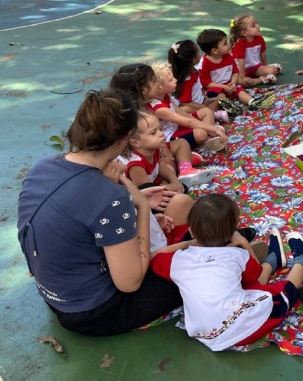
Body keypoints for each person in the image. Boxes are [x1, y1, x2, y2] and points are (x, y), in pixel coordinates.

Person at [17, 90, 183, 335]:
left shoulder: (43, 166)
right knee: (200, 267)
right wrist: (140, 205)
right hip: (95, 311)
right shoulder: (110, 197)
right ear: (125, 139)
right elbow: (130, 282)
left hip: (55, 295)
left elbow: (77, 221)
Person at [150, 193, 303, 351]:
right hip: (244, 325)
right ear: (233, 231)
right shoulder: (237, 254)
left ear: (191, 230)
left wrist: (187, 243)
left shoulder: (178, 260)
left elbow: (155, 255)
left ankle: (273, 260)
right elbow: (256, 276)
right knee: (285, 290)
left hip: (204, 334)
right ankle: (302, 261)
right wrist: (244, 243)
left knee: (243, 285)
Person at [110, 64, 214, 186]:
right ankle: (183, 165)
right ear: (143, 90)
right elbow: (146, 190)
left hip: (154, 152)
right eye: (154, 82)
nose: (158, 85)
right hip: (148, 160)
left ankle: (185, 168)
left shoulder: (147, 107)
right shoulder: (137, 118)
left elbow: (178, 117)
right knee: (169, 168)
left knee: (181, 145)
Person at [196, 28, 275, 115]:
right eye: (225, 43)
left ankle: (252, 102)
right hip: (214, 88)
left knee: (240, 90)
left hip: (229, 85)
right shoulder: (204, 63)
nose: (229, 44)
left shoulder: (229, 57)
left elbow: (235, 72)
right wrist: (223, 87)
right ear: (214, 50)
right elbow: (206, 84)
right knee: (221, 96)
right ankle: (224, 109)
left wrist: (233, 83)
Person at [168, 40, 228, 123]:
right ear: (193, 60)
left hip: (200, 101)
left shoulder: (192, 71)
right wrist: (202, 107)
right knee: (186, 109)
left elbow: (199, 88)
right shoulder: (188, 79)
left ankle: (209, 114)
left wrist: (205, 99)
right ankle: (211, 115)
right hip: (189, 105)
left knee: (222, 97)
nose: (200, 53)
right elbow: (185, 102)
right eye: (198, 52)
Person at [230, 14, 282, 87]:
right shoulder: (240, 43)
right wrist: (243, 76)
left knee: (272, 71)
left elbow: (262, 52)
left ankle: (266, 73)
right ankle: (262, 79)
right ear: (244, 32)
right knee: (241, 82)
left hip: (254, 67)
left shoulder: (259, 38)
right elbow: (240, 61)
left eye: (256, 23)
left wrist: (265, 66)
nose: (258, 26)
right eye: (253, 25)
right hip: (240, 70)